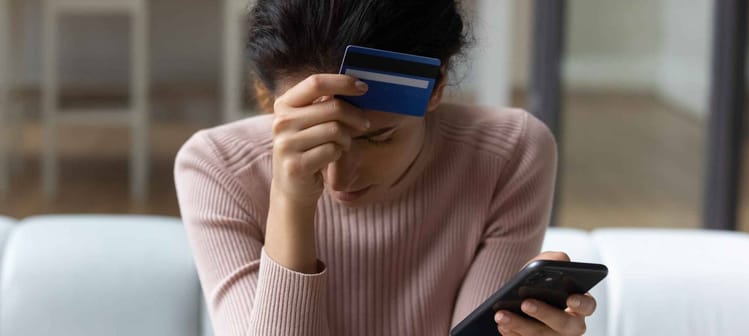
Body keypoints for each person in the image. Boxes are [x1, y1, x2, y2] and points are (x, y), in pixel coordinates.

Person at [174, 0, 597, 335]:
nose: (338, 179)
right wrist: (291, 201)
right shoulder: (218, 168)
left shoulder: (509, 153)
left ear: (438, 86)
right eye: (318, 138)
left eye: (376, 137)